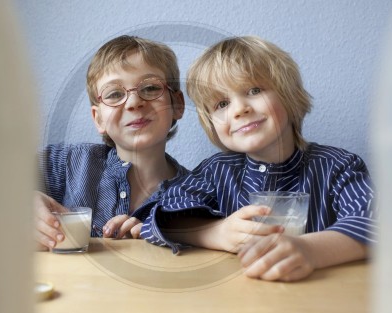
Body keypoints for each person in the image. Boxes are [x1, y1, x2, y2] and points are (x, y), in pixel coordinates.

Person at [140, 36, 377, 281]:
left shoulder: (337, 167)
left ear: (288, 95)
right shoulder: (216, 172)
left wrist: (310, 250)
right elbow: (159, 215)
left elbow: (377, 222)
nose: (239, 109)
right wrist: (215, 232)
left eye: (254, 90)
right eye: (222, 103)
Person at [34, 35, 188, 251]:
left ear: (177, 104)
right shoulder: (67, 163)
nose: (134, 103)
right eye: (115, 94)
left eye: (151, 88)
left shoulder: (198, 192)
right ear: (99, 119)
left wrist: (155, 233)